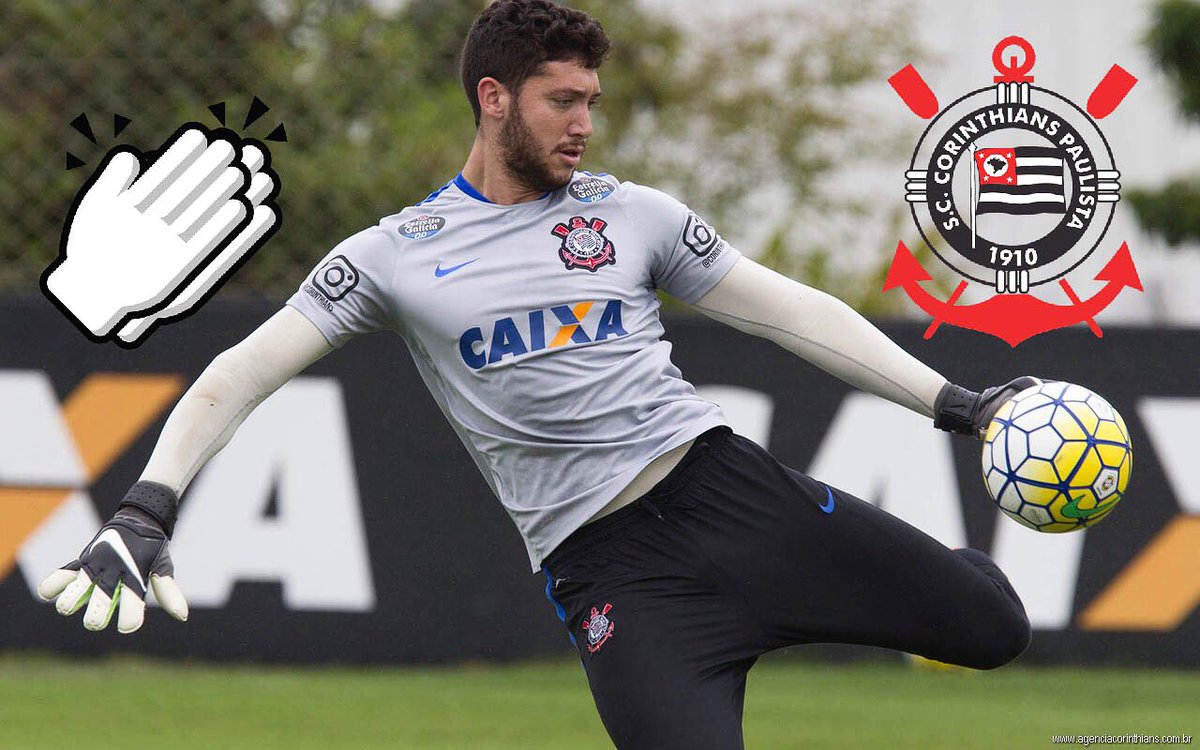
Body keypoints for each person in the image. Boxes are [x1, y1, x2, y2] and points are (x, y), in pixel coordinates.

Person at [38, 1, 1034, 747]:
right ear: (494, 97)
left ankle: (953, 580)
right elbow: (240, 372)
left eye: (592, 102)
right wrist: (146, 509)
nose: (583, 124)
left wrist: (960, 404)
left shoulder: (632, 212)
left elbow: (787, 311)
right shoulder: (395, 254)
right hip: (616, 579)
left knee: (994, 630)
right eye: (564, 101)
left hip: (730, 496)